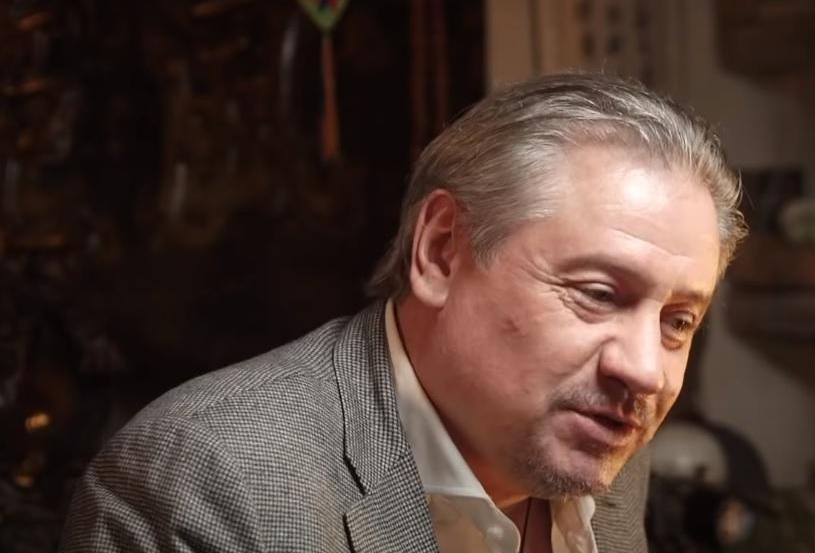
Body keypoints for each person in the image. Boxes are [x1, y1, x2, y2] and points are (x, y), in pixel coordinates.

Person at [59, 72, 746, 553]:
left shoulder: (598, 447)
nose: (646, 371)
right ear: (442, 251)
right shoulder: (210, 480)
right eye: (597, 293)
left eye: (678, 321)